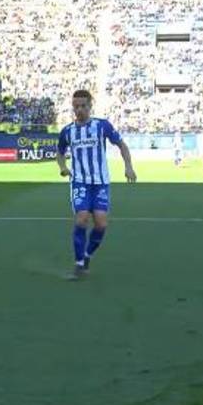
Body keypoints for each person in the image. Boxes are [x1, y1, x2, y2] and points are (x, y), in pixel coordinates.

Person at [56, 89, 137, 279]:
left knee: (101, 224)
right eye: (76, 106)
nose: (80, 110)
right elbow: (60, 152)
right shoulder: (67, 131)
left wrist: (129, 167)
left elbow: (121, 145)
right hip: (79, 182)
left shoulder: (102, 126)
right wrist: (63, 167)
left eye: (83, 106)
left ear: (90, 106)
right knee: (82, 218)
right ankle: (78, 265)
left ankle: (87, 255)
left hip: (100, 182)